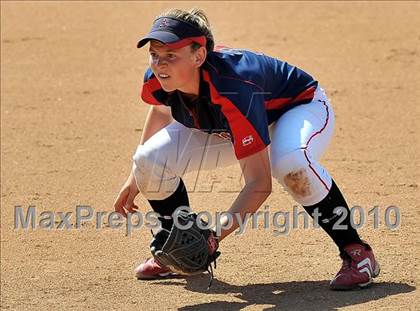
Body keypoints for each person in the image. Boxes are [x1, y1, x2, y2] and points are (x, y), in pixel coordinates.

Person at [113, 8, 380, 290]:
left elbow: (259, 183)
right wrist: (136, 177)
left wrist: (214, 236)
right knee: (148, 159)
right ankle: (174, 248)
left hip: (296, 108)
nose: (160, 63)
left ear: (199, 55)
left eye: (171, 55)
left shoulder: (235, 88)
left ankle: (357, 253)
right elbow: (162, 110)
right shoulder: (159, 77)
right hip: (231, 121)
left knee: (289, 163)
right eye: (155, 54)